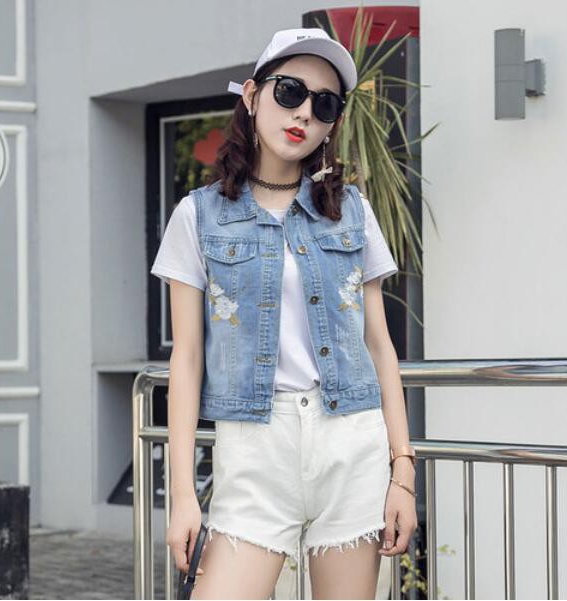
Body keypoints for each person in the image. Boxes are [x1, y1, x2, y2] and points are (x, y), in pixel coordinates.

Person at [150, 27, 417, 600]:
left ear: (332, 124)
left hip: (351, 443)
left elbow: (380, 345)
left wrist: (403, 472)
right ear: (251, 95)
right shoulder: (197, 217)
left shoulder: (352, 212)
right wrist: (184, 495)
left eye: (325, 104)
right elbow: (186, 360)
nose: (304, 114)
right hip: (254, 449)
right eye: (290, 91)